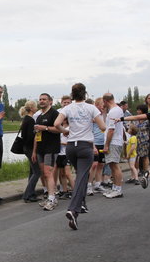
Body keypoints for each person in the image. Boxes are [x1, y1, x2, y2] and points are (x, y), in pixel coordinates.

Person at [55, 83, 105, 230]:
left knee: (81, 176)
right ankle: (73, 209)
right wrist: (92, 121)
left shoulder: (68, 108)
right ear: (85, 94)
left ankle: (82, 204)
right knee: (82, 177)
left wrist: (65, 131)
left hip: (71, 147)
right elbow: (102, 127)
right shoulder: (91, 108)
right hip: (85, 146)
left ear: (72, 94)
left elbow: (56, 123)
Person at [32, 93, 61, 211]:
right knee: (43, 173)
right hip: (40, 149)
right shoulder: (39, 116)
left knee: (48, 172)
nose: (42, 101)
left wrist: (46, 128)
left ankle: (52, 198)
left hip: (51, 148)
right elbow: (36, 135)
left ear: (50, 101)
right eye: (40, 99)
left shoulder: (55, 113)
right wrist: (34, 151)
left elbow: (59, 129)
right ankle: (49, 195)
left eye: (44, 99)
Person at [102, 93, 125, 199]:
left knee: (114, 166)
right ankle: (115, 187)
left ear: (105, 101)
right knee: (112, 165)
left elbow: (111, 130)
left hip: (113, 141)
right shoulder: (116, 110)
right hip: (115, 141)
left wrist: (106, 145)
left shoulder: (114, 111)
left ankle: (118, 189)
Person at [19, 100, 40, 203]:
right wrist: (36, 132)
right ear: (32, 108)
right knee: (37, 172)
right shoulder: (30, 120)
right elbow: (28, 137)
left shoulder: (26, 119)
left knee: (32, 171)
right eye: (35, 106)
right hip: (30, 148)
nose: (37, 108)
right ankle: (27, 194)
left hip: (27, 148)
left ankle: (31, 194)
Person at [87, 97, 107, 195]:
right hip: (94, 142)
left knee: (101, 164)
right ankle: (89, 185)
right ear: (97, 105)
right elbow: (89, 130)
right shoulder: (93, 116)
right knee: (94, 165)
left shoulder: (105, 115)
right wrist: (93, 145)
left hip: (102, 142)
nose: (104, 106)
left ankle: (98, 184)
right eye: (102, 104)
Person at [135, 104, 150, 175]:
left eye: (139, 110)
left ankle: (146, 171)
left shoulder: (148, 120)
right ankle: (137, 171)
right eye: (137, 110)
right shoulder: (136, 120)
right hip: (137, 139)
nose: (138, 111)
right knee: (137, 156)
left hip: (145, 140)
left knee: (145, 156)